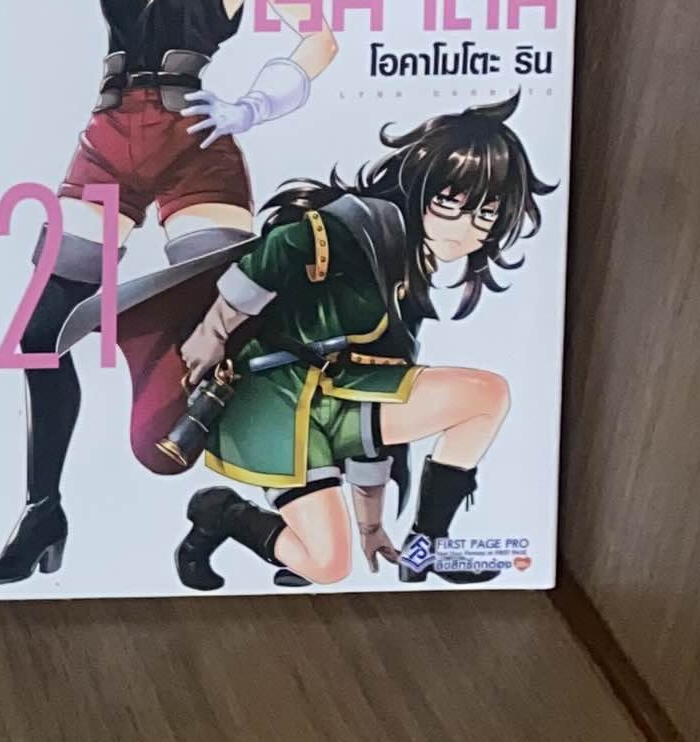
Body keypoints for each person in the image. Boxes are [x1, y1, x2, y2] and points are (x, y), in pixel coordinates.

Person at [0, 0, 334, 583]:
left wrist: (251, 106)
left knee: (233, 325)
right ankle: (42, 512)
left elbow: (318, 37)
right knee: (40, 337)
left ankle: (277, 507)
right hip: (107, 142)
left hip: (194, 144)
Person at [170, 100, 549, 589]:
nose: (466, 227)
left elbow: (377, 412)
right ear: (421, 184)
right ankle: (219, 512)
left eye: (486, 213)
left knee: (485, 396)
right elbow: (280, 250)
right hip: (271, 402)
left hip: (343, 394)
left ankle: (427, 549)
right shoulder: (355, 228)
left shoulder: (409, 269)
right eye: (451, 203)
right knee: (329, 567)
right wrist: (212, 333)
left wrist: (371, 525)